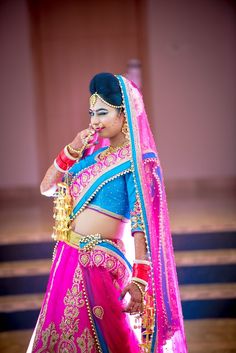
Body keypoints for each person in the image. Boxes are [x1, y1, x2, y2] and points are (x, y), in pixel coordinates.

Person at [27, 73, 188, 353]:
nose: (93, 121)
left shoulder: (139, 162)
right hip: (68, 258)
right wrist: (73, 148)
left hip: (100, 263)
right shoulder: (89, 159)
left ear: (124, 113)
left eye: (102, 112)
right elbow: (47, 187)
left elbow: (142, 222)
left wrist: (140, 278)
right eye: (91, 113)